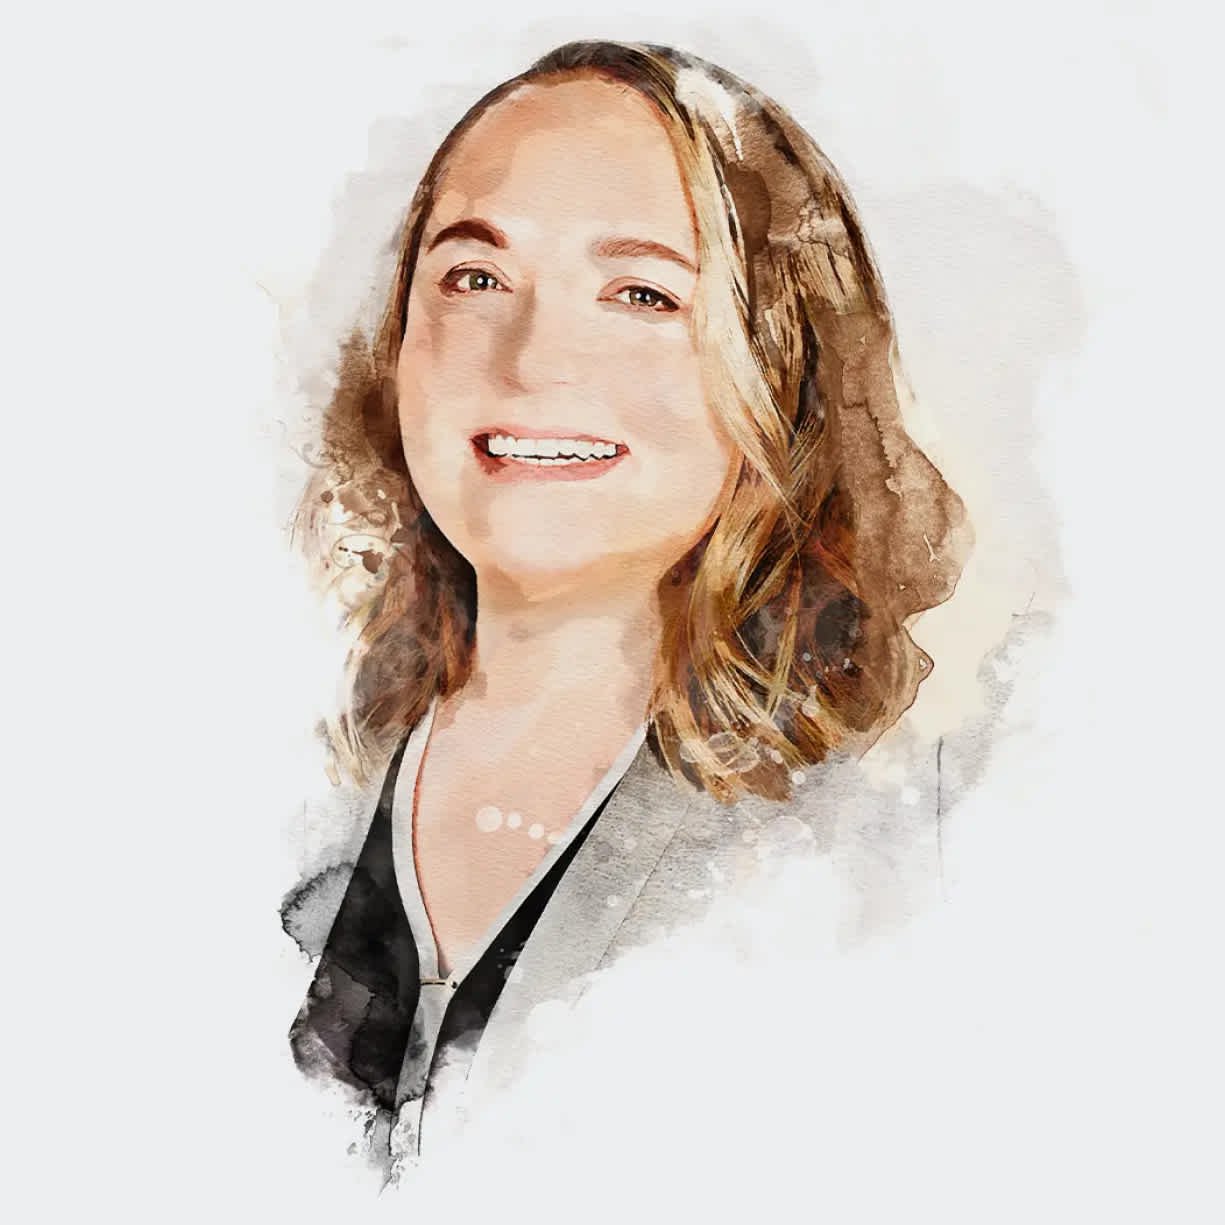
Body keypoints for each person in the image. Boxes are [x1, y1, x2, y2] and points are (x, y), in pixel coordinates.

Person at [285, 39, 970, 1171]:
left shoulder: (903, 842)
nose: (531, 361)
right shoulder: (286, 784)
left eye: (641, 293)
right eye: (475, 277)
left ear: (782, 366)